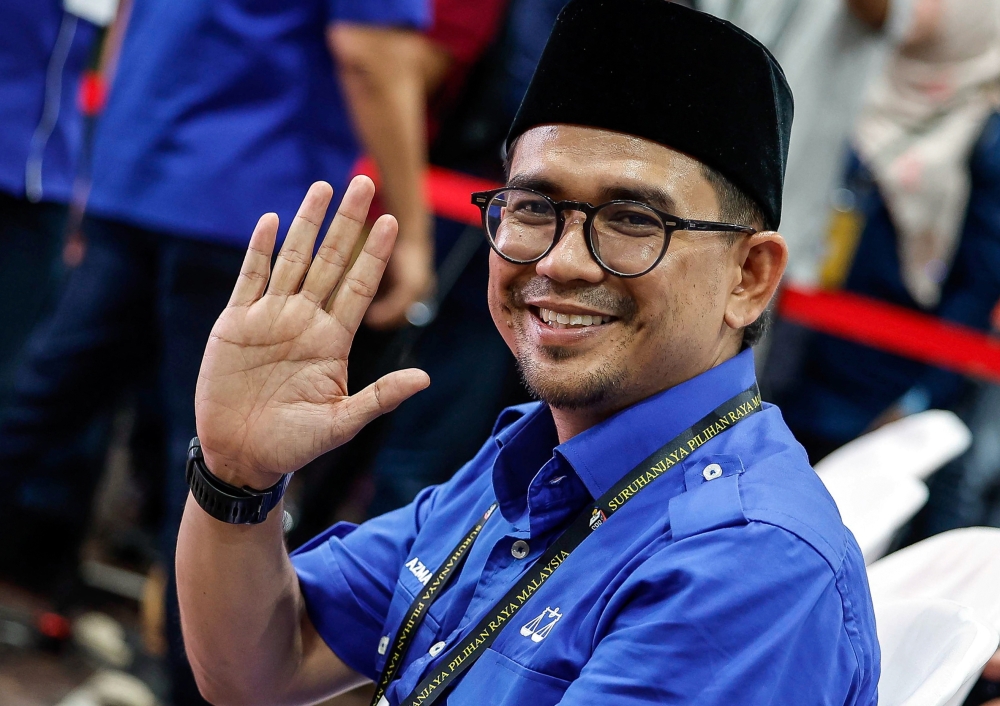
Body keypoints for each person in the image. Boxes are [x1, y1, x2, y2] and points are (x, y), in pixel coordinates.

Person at [177, 2, 879, 705]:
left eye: (633, 219)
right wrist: (236, 476)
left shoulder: (749, 564)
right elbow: (262, 669)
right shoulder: (529, 458)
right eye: (535, 208)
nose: (562, 261)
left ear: (749, 276)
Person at [0, 0, 431, 701]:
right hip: (242, 207)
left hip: (135, 181)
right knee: (216, 459)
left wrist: (102, 166)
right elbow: (369, 55)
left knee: (35, 408)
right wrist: (412, 230)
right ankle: (194, 689)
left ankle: (187, 679)